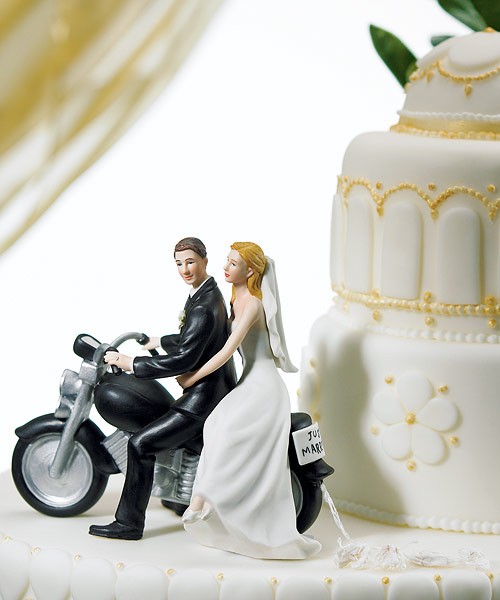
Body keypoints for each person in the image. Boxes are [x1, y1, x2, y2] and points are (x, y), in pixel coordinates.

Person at [176, 242, 322, 559]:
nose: (226, 267)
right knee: (214, 424)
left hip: (265, 387)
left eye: (234, 263)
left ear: (250, 270)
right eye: (226, 261)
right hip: (249, 381)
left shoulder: (253, 304)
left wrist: (192, 377)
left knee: (228, 432)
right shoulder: (234, 298)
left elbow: (228, 350)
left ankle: (207, 500)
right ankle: (202, 500)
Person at [89, 237, 236, 540]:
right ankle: (175, 493)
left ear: (205, 261)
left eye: (190, 262)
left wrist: (132, 363)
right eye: (179, 263)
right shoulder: (204, 295)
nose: (185, 269)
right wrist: (160, 341)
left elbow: (186, 358)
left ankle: (129, 523)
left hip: (203, 400)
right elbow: (193, 338)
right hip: (210, 392)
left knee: (140, 445)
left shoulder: (204, 306)